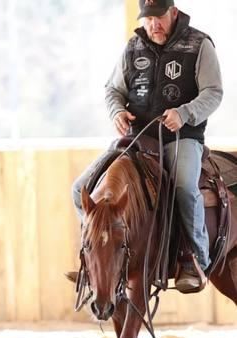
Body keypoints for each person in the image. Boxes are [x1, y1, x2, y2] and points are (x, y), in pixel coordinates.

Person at [70, 0, 223, 293]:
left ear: (174, 13)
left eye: (159, 17)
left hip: (181, 136)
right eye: (148, 19)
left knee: (182, 186)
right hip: (136, 137)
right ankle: (97, 259)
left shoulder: (199, 45)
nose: (153, 25)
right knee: (79, 190)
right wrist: (116, 111)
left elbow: (213, 93)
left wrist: (184, 113)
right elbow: (113, 89)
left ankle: (193, 257)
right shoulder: (133, 47)